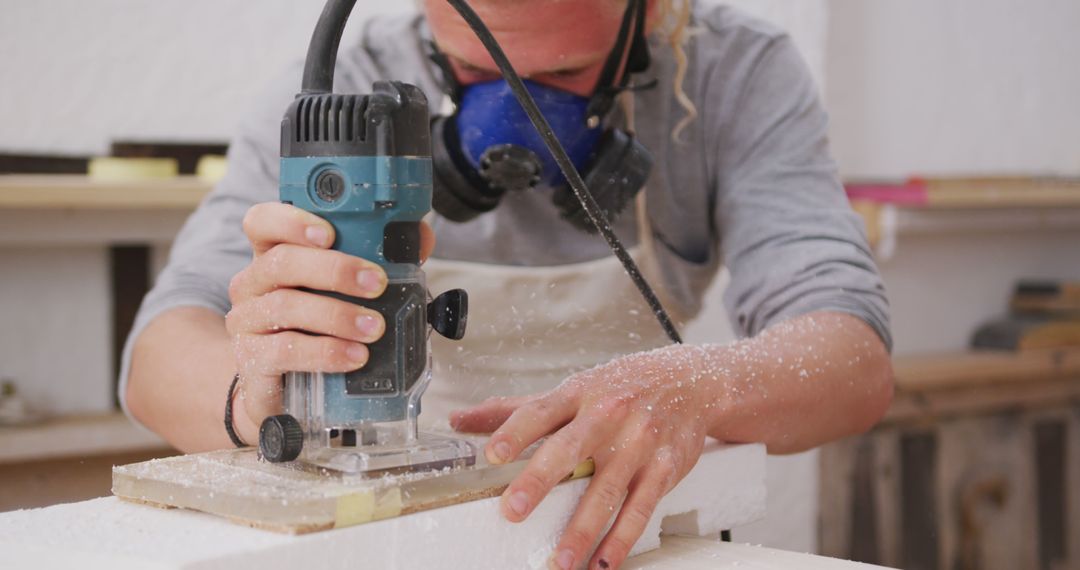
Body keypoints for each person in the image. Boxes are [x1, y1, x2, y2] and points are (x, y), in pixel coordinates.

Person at [123, 1, 894, 568]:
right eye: (475, 70)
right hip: (387, 532)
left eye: (563, 74)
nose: (517, 113)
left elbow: (852, 360)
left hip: (630, 535)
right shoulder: (342, 90)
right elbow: (156, 356)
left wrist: (702, 383)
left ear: (650, 13)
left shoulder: (730, 71)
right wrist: (256, 396)